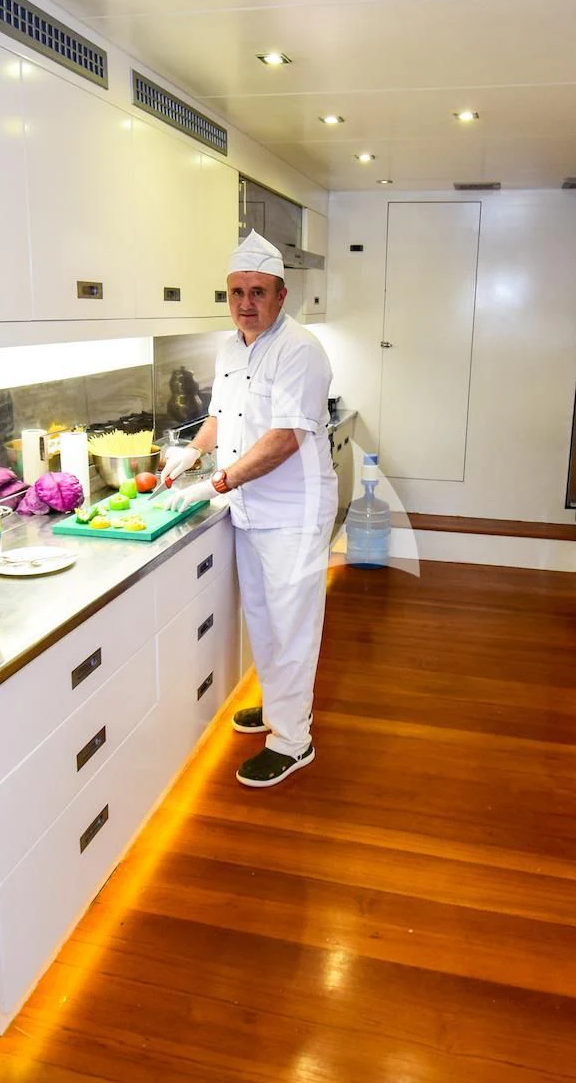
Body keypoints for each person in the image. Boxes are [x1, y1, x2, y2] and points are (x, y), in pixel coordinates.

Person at [160, 231, 337, 788]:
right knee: (262, 616)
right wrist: (191, 452)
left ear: (281, 295)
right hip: (249, 507)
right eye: (237, 292)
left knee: (293, 625)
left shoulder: (300, 351)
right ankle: (278, 706)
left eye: (258, 292)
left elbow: (283, 438)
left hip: (292, 511)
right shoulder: (231, 345)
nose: (246, 303)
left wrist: (213, 484)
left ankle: (293, 740)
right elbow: (222, 417)